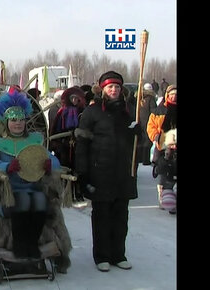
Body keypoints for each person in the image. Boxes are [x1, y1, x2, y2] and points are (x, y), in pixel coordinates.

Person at [0, 86, 61, 258]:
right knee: (22, 200)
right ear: (7, 122)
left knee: (40, 200)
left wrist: (48, 164)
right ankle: (19, 245)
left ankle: (32, 244)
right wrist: (5, 167)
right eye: (13, 119)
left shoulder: (34, 141)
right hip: (8, 194)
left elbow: (55, 161)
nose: (18, 123)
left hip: (33, 188)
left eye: (21, 119)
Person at [74, 71, 140, 272]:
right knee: (102, 215)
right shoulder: (92, 112)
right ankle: (102, 255)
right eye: (110, 87)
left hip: (123, 172)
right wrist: (82, 172)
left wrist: (138, 132)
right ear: (102, 89)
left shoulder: (129, 111)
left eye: (117, 87)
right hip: (100, 171)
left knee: (121, 216)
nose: (114, 90)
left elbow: (140, 145)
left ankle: (118, 254)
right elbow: (82, 144)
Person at [49, 86, 86, 201]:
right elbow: (55, 127)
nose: (75, 101)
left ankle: (78, 193)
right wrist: (55, 142)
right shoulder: (62, 111)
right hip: (63, 144)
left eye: (77, 99)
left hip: (77, 145)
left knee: (77, 168)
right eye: (73, 98)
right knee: (64, 168)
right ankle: (65, 193)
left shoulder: (82, 111)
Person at [146, 84, 177, 212]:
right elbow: (150, 126)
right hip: (163, 146)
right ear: (167, 96)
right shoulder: (159, 111)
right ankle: (165, 197)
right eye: (172, 94)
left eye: (176, 94)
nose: (174, 97)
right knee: (164, 172)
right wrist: (156, 136)